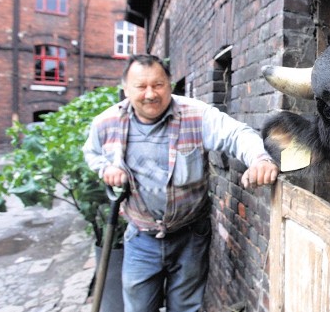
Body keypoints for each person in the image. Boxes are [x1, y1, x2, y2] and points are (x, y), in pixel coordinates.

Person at [83, 54, 279, 312]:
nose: (150, 94)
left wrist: (259, 158)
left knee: (186, 308)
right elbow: (92, 153)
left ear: (169, 84)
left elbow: (236, 133)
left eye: (158, 85)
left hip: (190, 236)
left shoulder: (195, 115)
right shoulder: (106, 124)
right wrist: (106, 168)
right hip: (141, 238)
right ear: (126, 89)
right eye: (141, 87)